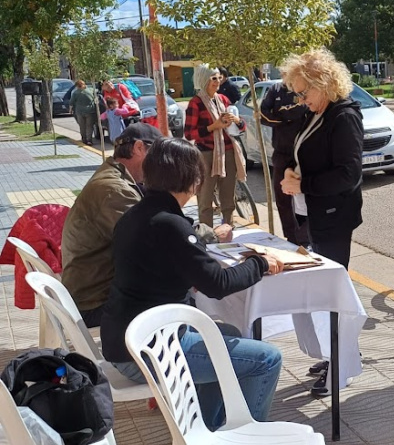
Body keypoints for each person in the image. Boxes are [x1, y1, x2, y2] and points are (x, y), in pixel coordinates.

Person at [100, 137, 285, 429]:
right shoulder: (170, 223)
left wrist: (188, 277)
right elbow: (218, 283)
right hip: (146, 350)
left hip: (124, 339)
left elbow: (158, 269)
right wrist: (259, 263)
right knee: (266, 359)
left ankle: (206, 429)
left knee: (226, 332)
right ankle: (250, 433)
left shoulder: (138, 214)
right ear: (193, 179)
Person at [61, 124, 232, 328]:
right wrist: (210, 234)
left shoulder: (116, 177)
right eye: (158, 155)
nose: (162, 163)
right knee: (187, 292)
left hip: (96, 289)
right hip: (96, 301)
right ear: (139, 148)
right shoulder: (114, 189)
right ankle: (184, 349)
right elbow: (157, 238)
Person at [279, 48, 363, 396]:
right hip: (313, 214)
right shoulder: (316, 113)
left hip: (333, 217)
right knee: (323, 296)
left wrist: (304, 185)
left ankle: (341, 365)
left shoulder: (342, 117)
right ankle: (337, 355)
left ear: (324, 83)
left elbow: (349, 174)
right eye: (297, 92)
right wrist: (290, 171)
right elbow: (302, 152)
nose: (300, 99)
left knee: (333, 297)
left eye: (304, 91)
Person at [185, 64, 248, 227]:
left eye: (219, 78)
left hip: (228, 151)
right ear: (204, 79)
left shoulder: (223, 100)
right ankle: (207, 234)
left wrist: (237, 121)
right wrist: (214, 126)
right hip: (206, 154)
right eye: (214, 78)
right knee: (205, 199)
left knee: (228, 199)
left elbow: (242, 127)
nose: (218, 81)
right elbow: (189, 134)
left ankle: (228, 229)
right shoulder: (196, 103)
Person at [260, 78, 310, 246]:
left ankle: (305, 239)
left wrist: (281, 112)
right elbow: (263, 115)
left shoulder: (305, 88)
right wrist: (286, 116)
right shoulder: (275, 89)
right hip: (282, 153)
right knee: (282, 198)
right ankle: (291, 239)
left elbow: (303, 109)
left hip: (304, 153)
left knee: (305, 196)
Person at [69, 80, 97, 146]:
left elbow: (71, 103)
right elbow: (96, 96)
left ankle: (84, 139)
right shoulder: (91, 90)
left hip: (79, 111)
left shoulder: (75, 93)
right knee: (89, 126)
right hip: (90, 111)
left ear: (77, 86)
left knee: (82, 126)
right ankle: (89, 140)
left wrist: (70, 110)